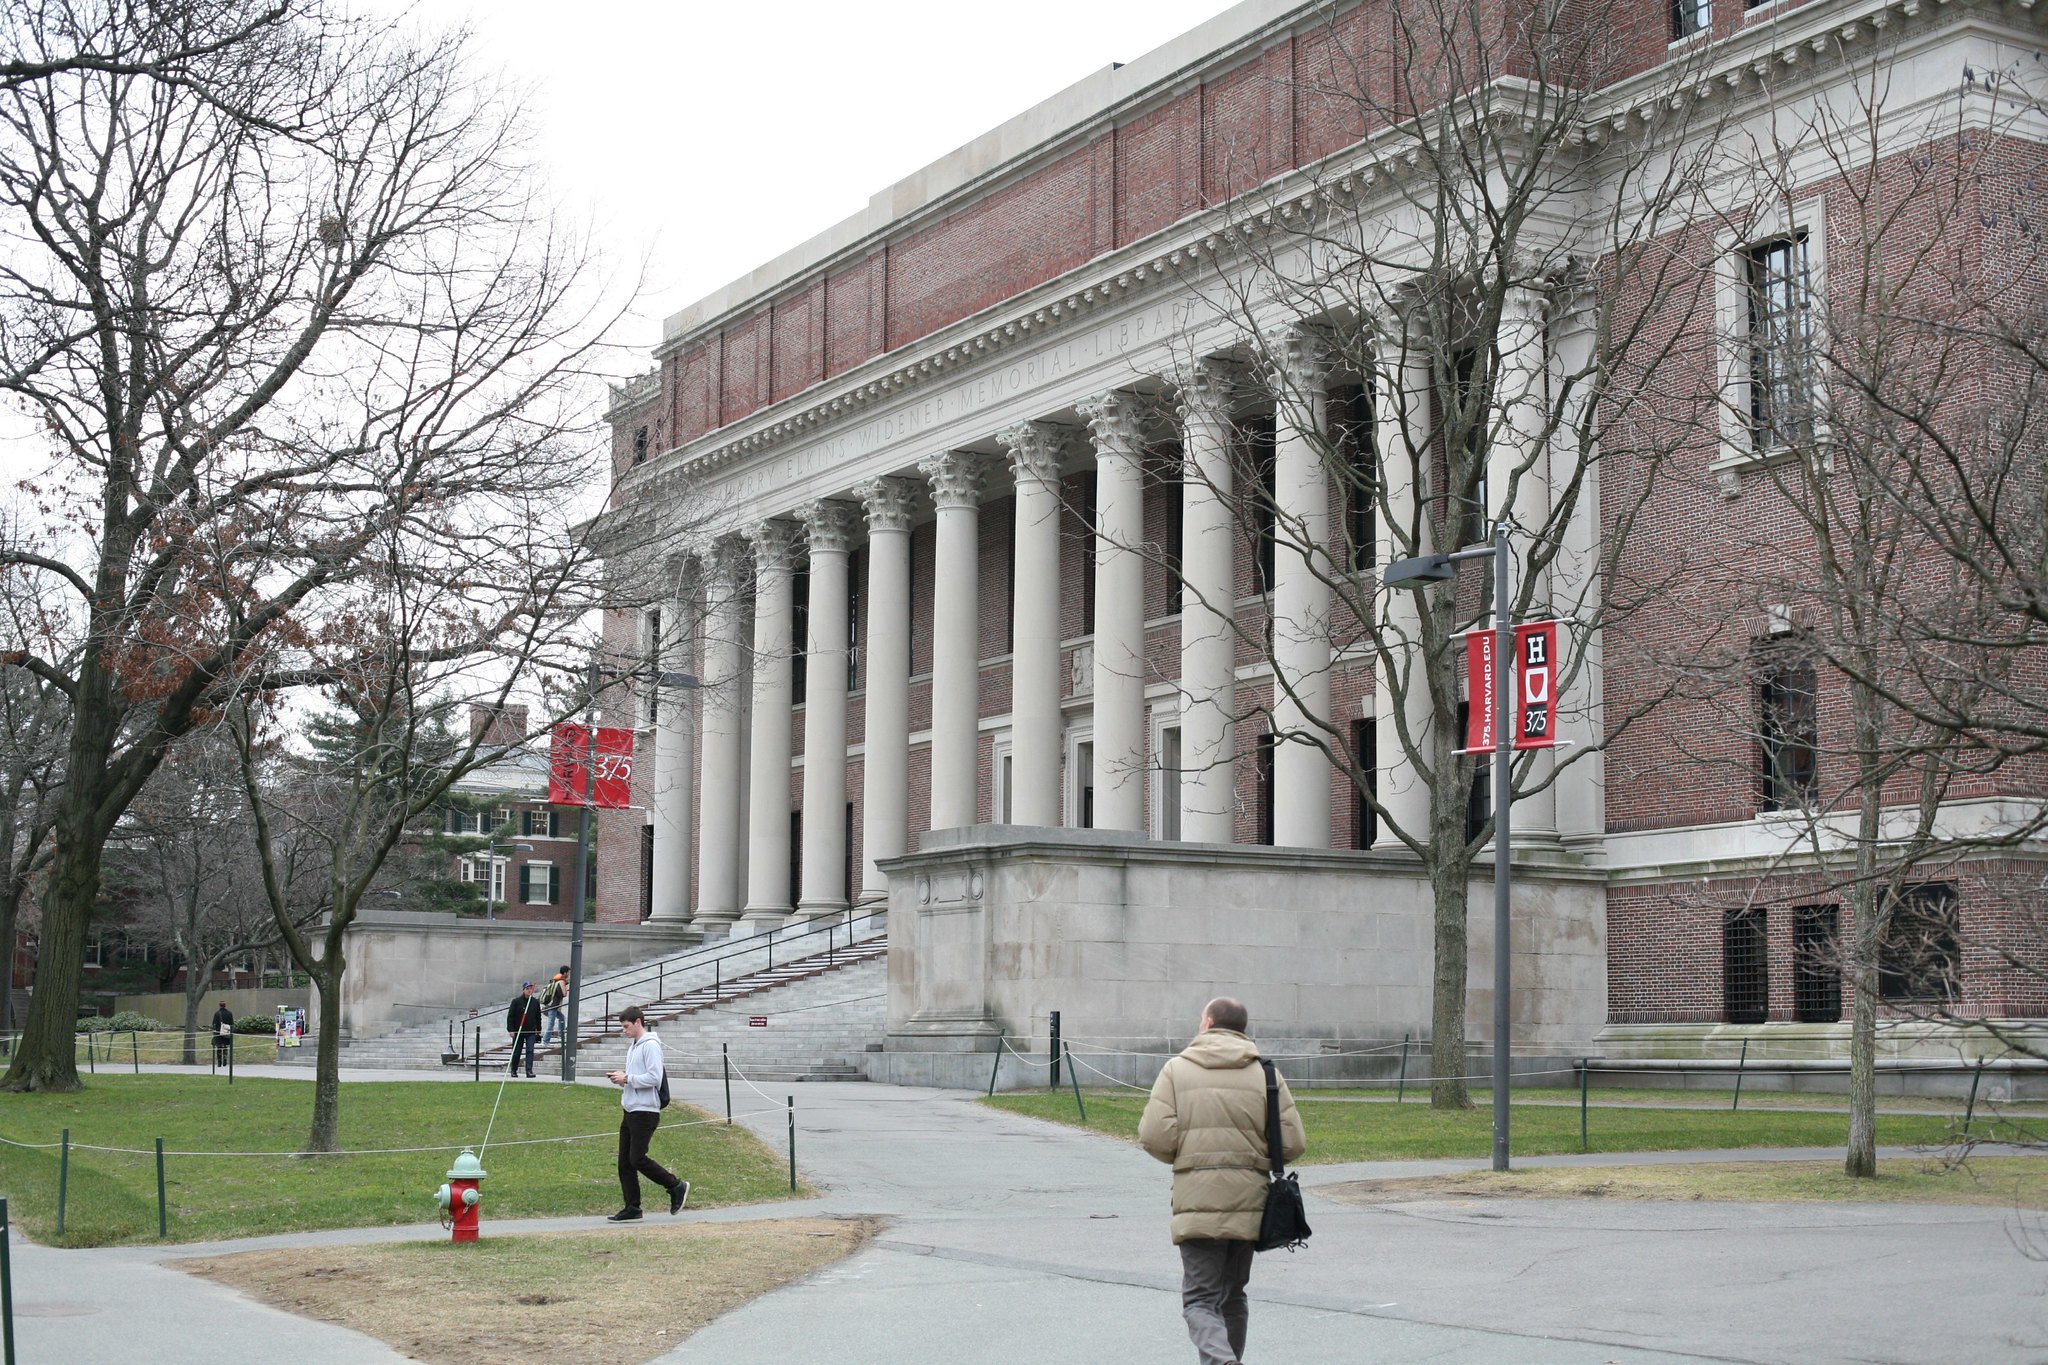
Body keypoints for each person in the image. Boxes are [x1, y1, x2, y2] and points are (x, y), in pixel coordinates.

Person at [1138, 997, 1305, 1365]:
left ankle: (1222, 1361)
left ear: (1209, 1023)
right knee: (1233, 1296)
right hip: (1250, 1202)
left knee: (1199, 1299)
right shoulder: (1266, 1073)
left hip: (1197, 1202)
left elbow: (1156, 1138)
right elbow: (1293, 1143)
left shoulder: (1176, 1070)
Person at [604, 1005, 688, 1221]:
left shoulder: (650, 1046)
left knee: (637, 1158)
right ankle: (632, 1207)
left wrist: (628, 1078)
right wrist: (622, 1078)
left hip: (645, 1111)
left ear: (638, 1022)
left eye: (626, 1026)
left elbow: (654, 1078)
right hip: (631, 1108)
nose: (624, 1031)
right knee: (624, 1162)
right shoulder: (634, 1046)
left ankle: (675, 1185)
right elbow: (637, 1076)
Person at [505, 981, 543, 1078]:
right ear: (523, 990)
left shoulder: (535, 1002)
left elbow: (538, 1016)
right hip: (518, 1030)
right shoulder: (516, 1002)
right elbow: (510, 1016)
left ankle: (529, 1071)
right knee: (517, 1051)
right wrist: (511, 1030)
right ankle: (514, 1070)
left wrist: (539, 1029)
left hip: (530, 1031)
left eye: (530, 988)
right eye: (527, 988)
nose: (529, 990)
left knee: (530, 1050)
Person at [540, 966, 569, 1046]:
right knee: (551, 1023)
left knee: (561, 1018)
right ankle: (545, 1041)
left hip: (550, 1005)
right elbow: (563, 994)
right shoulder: (561, 981)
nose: (569, 974)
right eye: (568, 973)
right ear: (565, 973)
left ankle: (560, 1036)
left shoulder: (555, 980)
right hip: (552, 1006)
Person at [210, 1000, 235, 1066]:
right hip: (226, 1032)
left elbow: (214, 1024)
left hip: (218, 1032)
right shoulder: (229, 1013)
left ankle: (219, 1062)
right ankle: (225, 1061)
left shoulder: (217, 1013)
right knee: (225, 1047)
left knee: (219, 1047)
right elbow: (232, 1023)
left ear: (219, 1005)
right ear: (225, 1005)